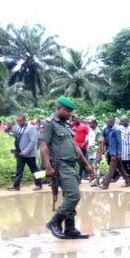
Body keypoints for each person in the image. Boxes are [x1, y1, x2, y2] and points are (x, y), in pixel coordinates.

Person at [39, 96, 94, 239]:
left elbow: (76, 147)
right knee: (74, 195)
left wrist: (86, 165)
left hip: (71, 165)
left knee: (69, 196)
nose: (70, 114)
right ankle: (54, 222)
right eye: (67, 111)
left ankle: (70, 229)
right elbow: (43, 146)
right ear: (59, 108)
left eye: (71, 111)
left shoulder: (67, 125)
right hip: (60, 165)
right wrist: (48, 167)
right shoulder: (49, 124)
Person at [6, 114, 42, 192]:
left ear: (25, 120)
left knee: (34, 169)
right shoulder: (18, 128)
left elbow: (33, 141)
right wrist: (16, 149)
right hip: (19, 152)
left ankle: (39, 184)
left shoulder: (31, 128)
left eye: (20, 120)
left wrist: (26, 151)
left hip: (29, 153)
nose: (18, 122)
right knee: (19, 169)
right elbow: (19, 139)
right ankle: (16, 185)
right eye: (17, 121)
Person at [99, 117, 130, 190]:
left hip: (115, 154)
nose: (107, 124)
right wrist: (105, 150)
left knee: (111, 170)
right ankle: (128, 181)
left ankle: (105, 184)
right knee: (121, 169)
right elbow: (106, 141)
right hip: (110, 152)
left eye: (109, 123)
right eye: (106, 123)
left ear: (112, 123)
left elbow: (119, 142)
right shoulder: (107, 129)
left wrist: (119, 153)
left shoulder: (117, 130)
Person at [71, 115, 90, 181]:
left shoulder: (85, 127)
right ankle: (77, 176)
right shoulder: (71, 125)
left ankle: (80, 176)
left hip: (82, 147)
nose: (74, 121)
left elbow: (88, 137)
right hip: (74, 146)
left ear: (79, 119)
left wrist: (84, 144)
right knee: (74, 161)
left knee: (82, 162)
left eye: (76, 120)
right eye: (73, 120)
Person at [87, 117, 103, 187]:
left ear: (95, 123)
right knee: (92, 166)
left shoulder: (98, 131)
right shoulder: (91, 130)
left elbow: (100, 143)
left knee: (96, 166)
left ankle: (97, 181)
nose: (89, 124)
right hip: (91, 150)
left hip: (96, 151)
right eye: (89, 123)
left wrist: (99, 154)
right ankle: (94, 179)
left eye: (91, 123)